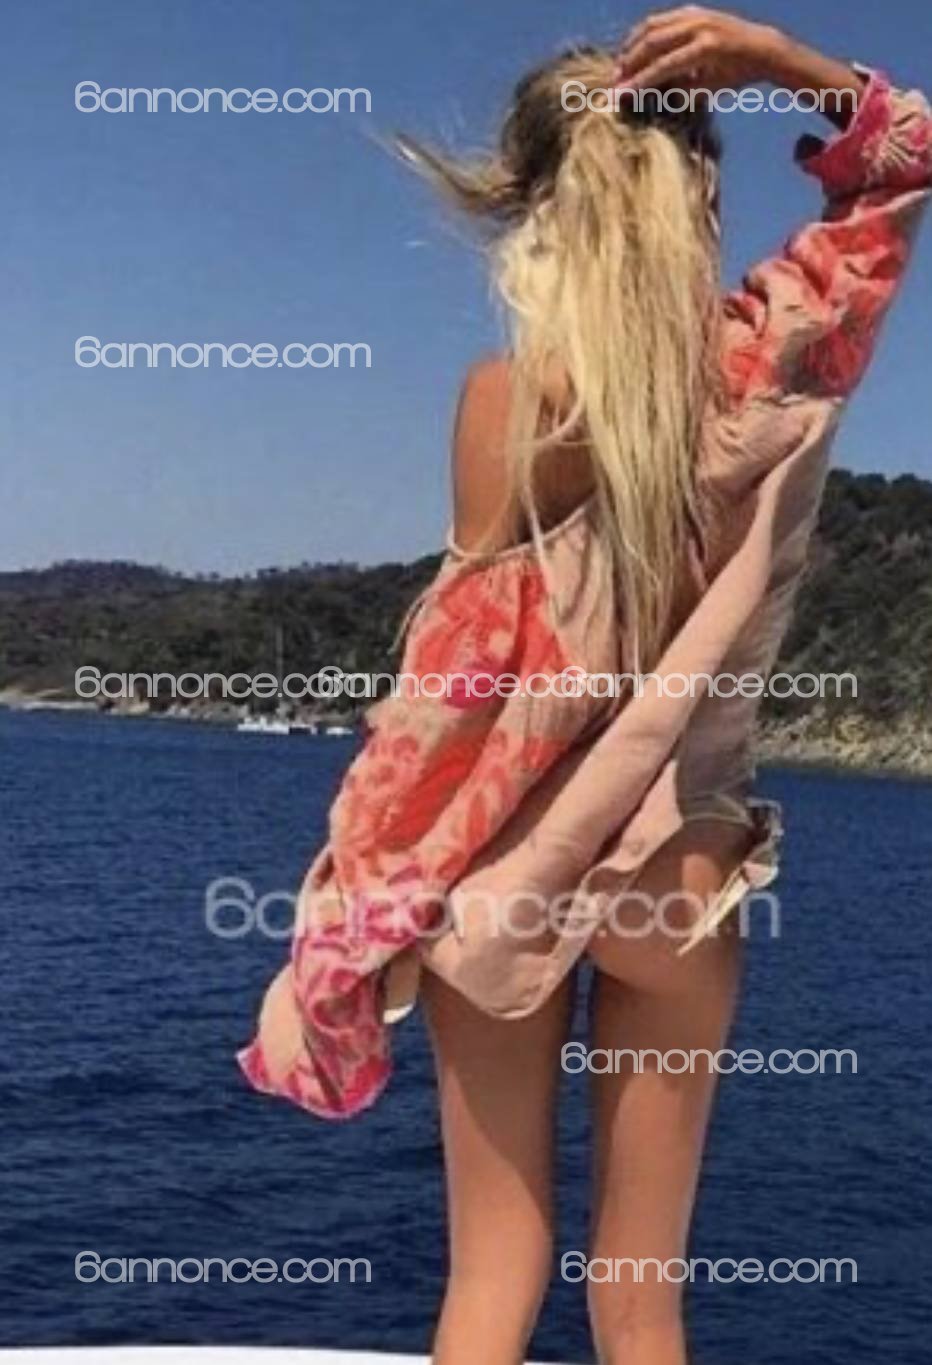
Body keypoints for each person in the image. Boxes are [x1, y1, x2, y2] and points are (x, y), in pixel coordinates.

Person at [240, 10, 932, 1363]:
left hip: (509, 875)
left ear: (539, 208)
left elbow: (448, 705)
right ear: (701, 188)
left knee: (493, 1275)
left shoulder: (505, 406)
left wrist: (358, 897)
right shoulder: (772, 362)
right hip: (677, 868)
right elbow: (907, 158)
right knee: (639, 1292)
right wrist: (787, 65)